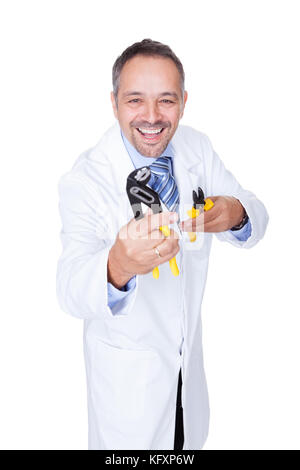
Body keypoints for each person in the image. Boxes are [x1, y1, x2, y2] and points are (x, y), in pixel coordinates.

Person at [56, 38, 269, 450]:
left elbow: (257, 217)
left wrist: (234, 213)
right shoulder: (85, 180)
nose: (152, 117)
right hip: (127, 395)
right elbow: (67, 288)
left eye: (166, 101)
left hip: (189, 385)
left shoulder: (196, 148)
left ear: (184, 102)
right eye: (135, 100)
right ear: (114, 102)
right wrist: (117, 265)